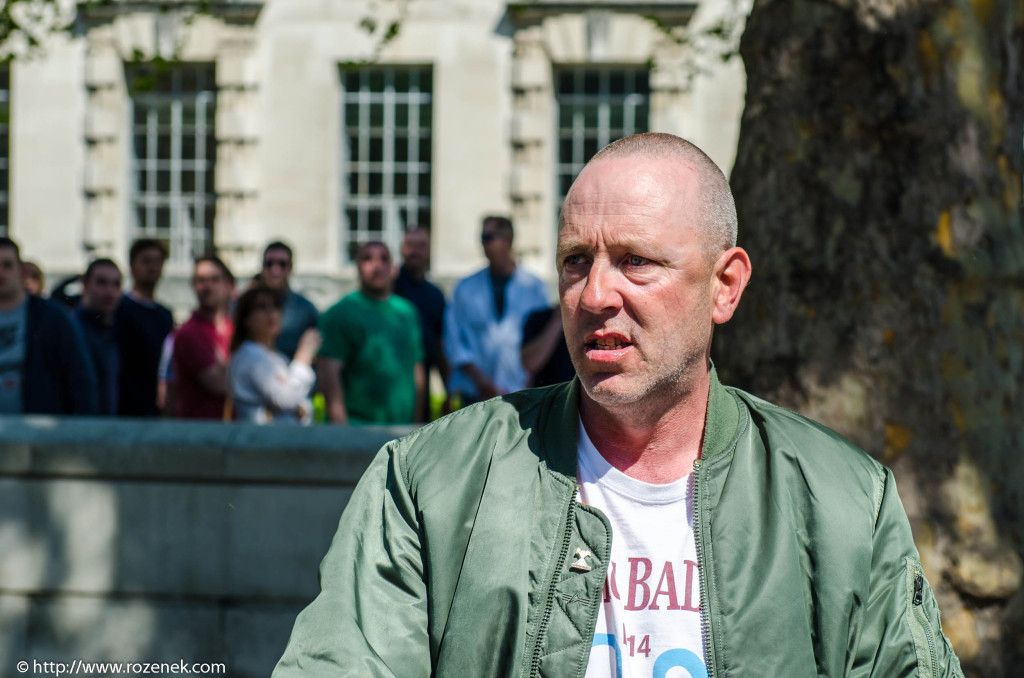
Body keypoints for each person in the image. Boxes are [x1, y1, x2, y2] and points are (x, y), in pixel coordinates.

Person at [274, 133, 963, 677]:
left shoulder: (842, 503)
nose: (595, 293)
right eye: (577, 260)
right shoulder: (430, 482)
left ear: (726, 285)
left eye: (636, 260)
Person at [444, 215, 548, 405]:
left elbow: (540, 339)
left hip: (521, 391)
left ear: (507, 240)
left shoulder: (534, 287)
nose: (483, 243)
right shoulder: (465, 287)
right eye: (482, 237)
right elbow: (454, 338)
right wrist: (480, 380)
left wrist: (531, 380)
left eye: (488, 237)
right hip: (474, 393)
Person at [317, 241, 424, 424]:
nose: (377, 266)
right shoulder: (340, 313)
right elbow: (329, 374)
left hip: (402, 431)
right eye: (367, 259)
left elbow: (417, 370)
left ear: (393, 268)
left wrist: (417, 428)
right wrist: (341, 434)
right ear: (357, 267)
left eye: (384, 259)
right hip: (358, 429)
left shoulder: (407, 312)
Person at [0, 238, 97, 415]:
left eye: (7, 265)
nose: (1, 273)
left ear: (21, 271)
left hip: (38, 434)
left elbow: (80, 379)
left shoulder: (52, 318)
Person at [227, 286, 321, 425]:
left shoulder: (276, 356)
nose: (271, 313)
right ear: (245, 319)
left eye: (276, 306)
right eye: (261, 307)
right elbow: (287, 399)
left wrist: (300, 407)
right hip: (259, 443)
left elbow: (300, 405)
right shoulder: (249, 355)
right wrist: (303, 357)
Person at [115, 239, 175, 417]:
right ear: (132, 266)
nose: (152, 267)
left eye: (158, 262)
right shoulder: (121, 308)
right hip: (128, 407)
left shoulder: (164, 314)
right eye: (146, 261)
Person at [393, 227, 448, 420]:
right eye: (410, 245)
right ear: (401, 249)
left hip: (422, 381)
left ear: (430, 251)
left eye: (421, 246)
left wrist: (448, 390)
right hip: (392, 379)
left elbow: (441, 345)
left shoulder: (435, 295)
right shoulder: (390, 287)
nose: (415, 251)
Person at [173, 255, 235, 420]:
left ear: (229, 285)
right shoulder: (189, 333)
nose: (207, 286)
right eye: (201, 280)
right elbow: (218, 384)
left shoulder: (236, 329)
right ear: (193, 285)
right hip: (201, 433)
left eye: (215, 279)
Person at [73, 259, 123, 415]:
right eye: (102, 283)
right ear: (85, 285)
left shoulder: (115, 331)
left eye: (116, 284)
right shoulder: (73, 331)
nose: (110, 292)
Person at [259, 241, 320, 360]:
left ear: (291, 268)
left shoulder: (305, 309)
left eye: (282, 264)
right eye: (269, 264)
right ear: (262, 267)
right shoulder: (246, 306)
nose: (275, 270)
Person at [521, 304, 574, 388]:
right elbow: (530, 363)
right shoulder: (538, 318)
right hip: (544, 397)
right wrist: (558, 320)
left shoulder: (588, 323)